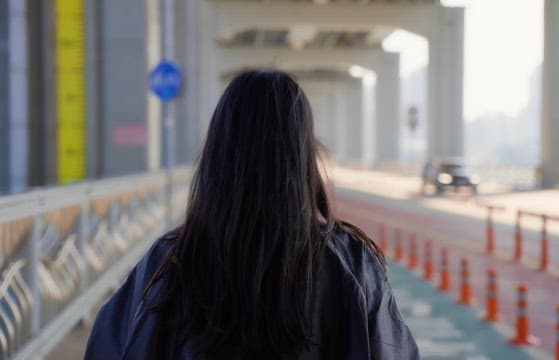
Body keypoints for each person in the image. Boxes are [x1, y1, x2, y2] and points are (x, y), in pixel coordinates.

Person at [85, 69, 419, 359]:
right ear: (304, 154)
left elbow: (112, 348)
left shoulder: (169, 260)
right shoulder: (351, 264)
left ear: (217, 153)